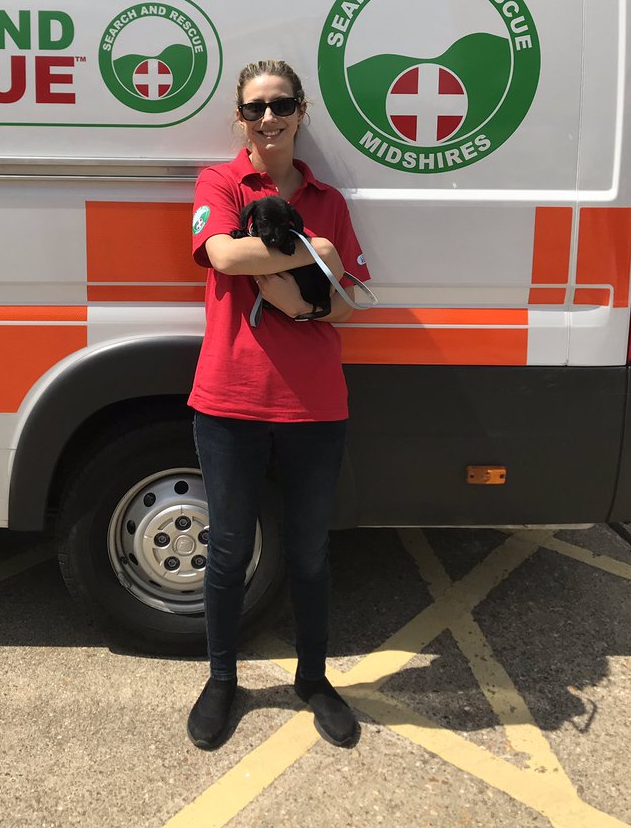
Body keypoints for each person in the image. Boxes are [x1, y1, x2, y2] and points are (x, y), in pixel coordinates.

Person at [187, 59, 371, 750]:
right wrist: (307, 255)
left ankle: (315, 680)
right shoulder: (221, 181)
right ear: (241, 118)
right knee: (229, 550)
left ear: (301, 112)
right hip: (230, 399)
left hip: (316, 405)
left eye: (282, 105)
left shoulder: (330, 199)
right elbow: (224, 258)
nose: (269, 118)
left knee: (310, 554)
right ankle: (222, 680)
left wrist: (298, 275)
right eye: (257, 107)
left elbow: (348, 306)